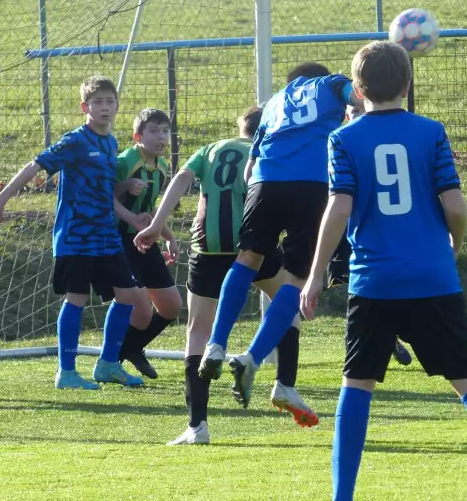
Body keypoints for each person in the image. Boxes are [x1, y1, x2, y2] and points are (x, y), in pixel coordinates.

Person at [300, 41, 467, 501]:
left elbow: (339, 206)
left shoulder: (343, 139)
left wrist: (315, 274)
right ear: (407, 85)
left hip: (374, 281)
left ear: (358, 87)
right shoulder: (431, 132)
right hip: (432, 278)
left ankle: (342, 496)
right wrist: (454, 245)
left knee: (357, 385)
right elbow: (456, 205)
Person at [135, 106, 317, 443]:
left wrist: (158, 224)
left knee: (198, 331)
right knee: (287, 301)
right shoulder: (268, 149)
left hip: (208, 248)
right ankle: (285, 384)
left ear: (240, 127)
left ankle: (197, 427)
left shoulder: (211, 149)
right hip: (253, 246)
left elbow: (181, 179)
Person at [199, 62, 362, 411]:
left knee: (248, 258)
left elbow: (249, 164)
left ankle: (215, 343)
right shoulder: (332, 84)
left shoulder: (273, 102)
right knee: (299, 278)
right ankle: (253, 357)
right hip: (311, 183)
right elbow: (358, 100)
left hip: (264, 182)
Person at [0, 75, 144, 390]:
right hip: (76, 236)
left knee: (128, 296)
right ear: (85, 107)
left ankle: (108, 364)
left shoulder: (110, 142)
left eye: (110, 101)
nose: (105, 107)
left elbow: (104, 191)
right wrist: (0, 200)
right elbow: (33, 167)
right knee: (77, 299)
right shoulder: (75, 141)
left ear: (117, 106)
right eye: (98, 102)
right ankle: (66, 372)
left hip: (105, 235)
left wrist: (131, 219)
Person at [327, 105, 412, 367]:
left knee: (389, 287)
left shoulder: (378, 144)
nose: (358, 115)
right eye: (354, 111)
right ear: (345, 114)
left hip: (379, 230)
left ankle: (392, 335)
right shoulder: (339, 141)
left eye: (362, 111)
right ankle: (376, 343)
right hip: (346, 229)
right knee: (350, 288)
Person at [112, 108, 183, 379]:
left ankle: (130, 349)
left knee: (171, 307)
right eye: (153, 131)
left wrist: (169, 237)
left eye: (165, 131)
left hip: (145, 241)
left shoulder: (162, 168)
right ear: (137, 136)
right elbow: (104, 195)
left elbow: (150, 210)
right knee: (139, 311)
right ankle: (110, 360)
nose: (161, 136)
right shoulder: (126, 161)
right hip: (119, 241)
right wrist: (126, 184)